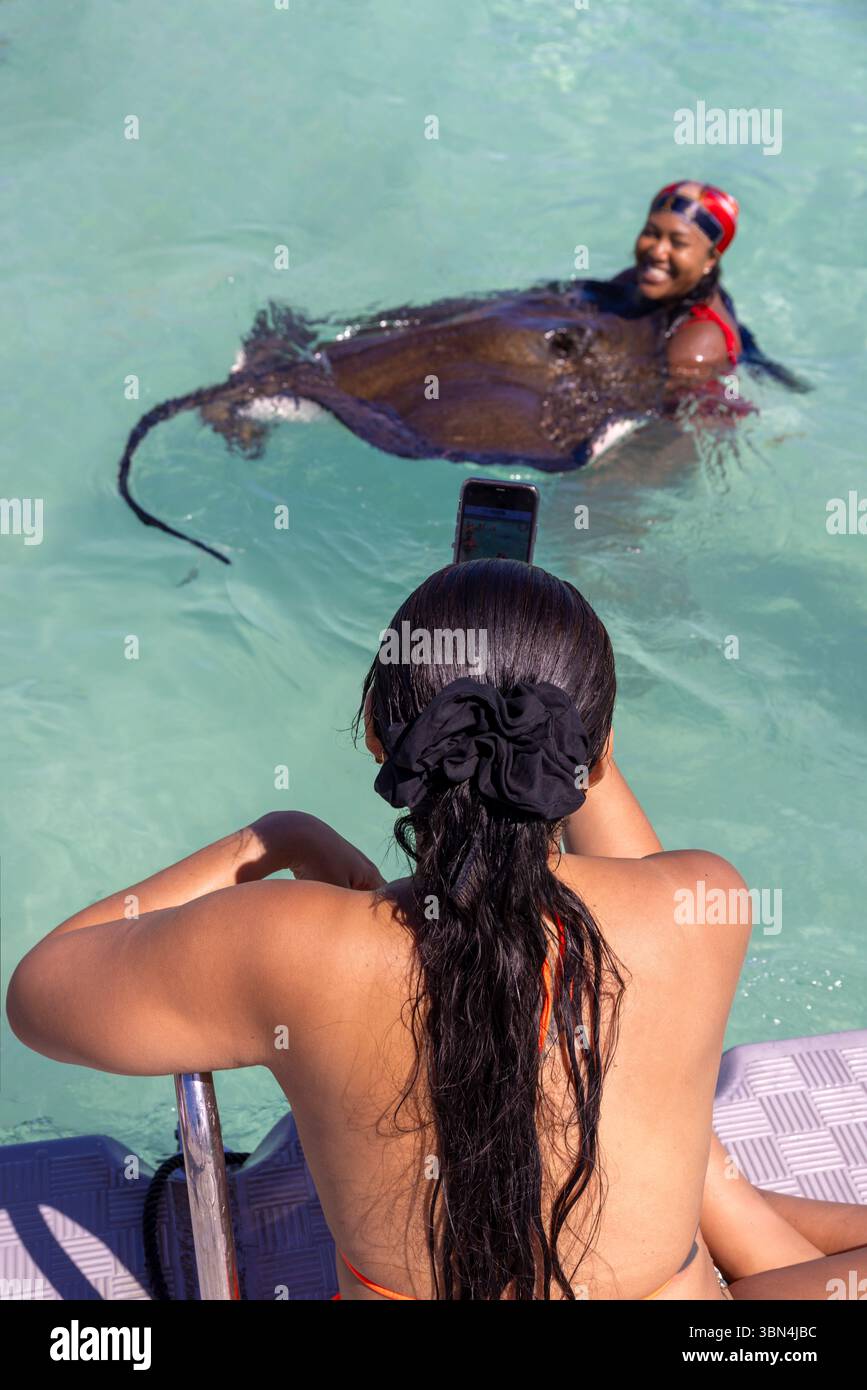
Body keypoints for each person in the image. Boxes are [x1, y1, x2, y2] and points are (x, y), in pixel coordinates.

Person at [7, 559, 863, 1298]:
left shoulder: (284, 945)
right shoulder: (700, 906)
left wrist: (272, 838)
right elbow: (627, 865)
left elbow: (40, 992)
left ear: (382, 740)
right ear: (594, 756)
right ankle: (753, 1236)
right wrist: (546, 724)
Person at [611, 179, 743, 383]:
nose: (657, 251)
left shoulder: (700, 346)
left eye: (678, 242)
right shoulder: (635, 279)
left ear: (709, 260)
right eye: (651, 233)